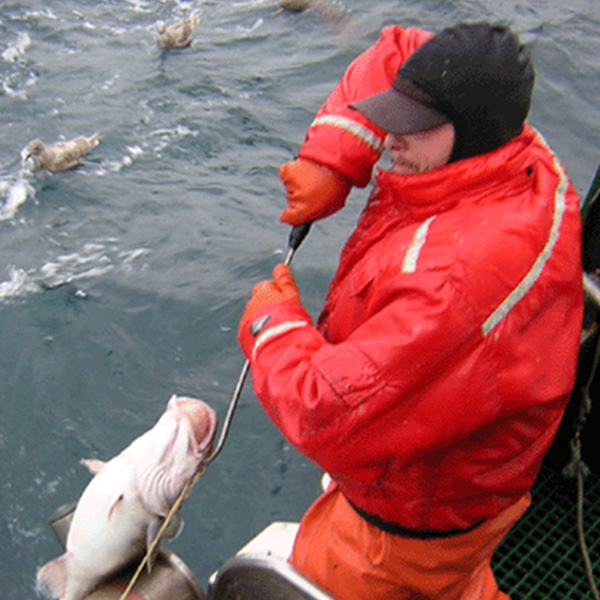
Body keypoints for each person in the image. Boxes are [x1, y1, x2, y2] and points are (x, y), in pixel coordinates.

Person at [237, 21, 583, 600]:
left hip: (412, 526)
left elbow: (328, 412)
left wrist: (273, 326)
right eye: (389, 116)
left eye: (413, 127)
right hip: (484, 479)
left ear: (469, 131)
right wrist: (334, 158)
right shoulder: (517, 156)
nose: (388, 139)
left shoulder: (458, 279)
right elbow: (402, 50)